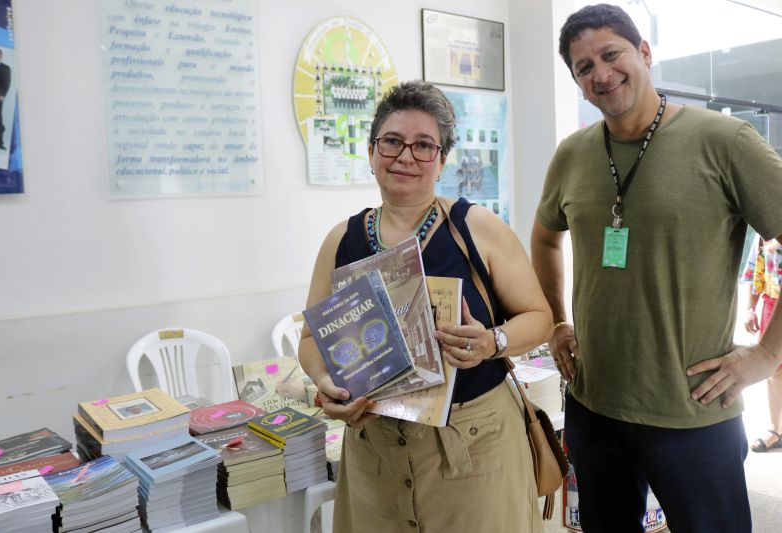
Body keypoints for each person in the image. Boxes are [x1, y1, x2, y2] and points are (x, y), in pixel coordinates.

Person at [531, 4, 782, 533]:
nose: (600, 73)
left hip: (693, 413)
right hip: (594, 406)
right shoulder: (572, 154)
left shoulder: (725, 141)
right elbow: (545, 237)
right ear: (577, 84)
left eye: (610, 54)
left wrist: (767, 353)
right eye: (583, 67)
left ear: (645, 53)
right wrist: (556, 320)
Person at [298, 80, 553, 532]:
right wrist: (325, 383)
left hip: (475, 448)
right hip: (376, 453)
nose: (405, 157)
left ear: (442, 159)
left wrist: (493, 341)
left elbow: (540, 318)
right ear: (372, 151)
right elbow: (311, 338)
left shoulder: (476, 227)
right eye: (392, 142)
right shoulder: (342, 240)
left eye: (423, 146)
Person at [742, 234, 782, 452]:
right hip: (772, 304)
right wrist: (750, 308)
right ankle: (776, 430)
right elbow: (753, 269)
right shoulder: (765, 225)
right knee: (774, 368)